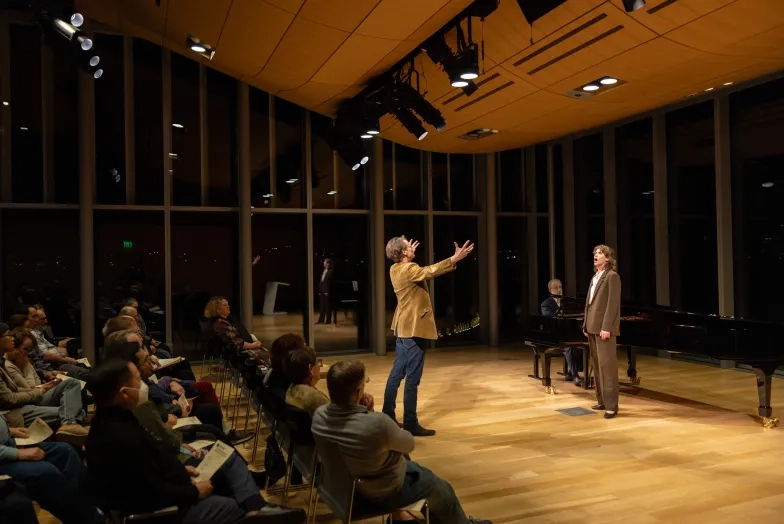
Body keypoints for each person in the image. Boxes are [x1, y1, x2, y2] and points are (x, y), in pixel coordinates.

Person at [84, 358, 306, 523]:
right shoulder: (116, 438)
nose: (143, 385)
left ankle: (256, 506)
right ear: (124, 393)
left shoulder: (117, 421)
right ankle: (251, 512)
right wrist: (194, 492)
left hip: (173, 483)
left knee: (224, 457)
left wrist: (181, 469)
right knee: (230, 506)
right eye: (137, 381)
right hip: (159, 511)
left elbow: (151, 463)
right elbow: (147, 493)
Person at [312, 361, 491, 524]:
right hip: (380, 490)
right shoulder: (376, 424)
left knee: (410, 464)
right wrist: (372, 414)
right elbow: (408, 443)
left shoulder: (319, 416)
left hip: (342, 489)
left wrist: (366, 413)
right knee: (443, 491)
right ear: (358, 392)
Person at [382, 236, 474, 436]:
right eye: (408, 246)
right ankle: (410, 423)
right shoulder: (409, 269)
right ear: (404, 253)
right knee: (412, 377)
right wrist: (454, 259)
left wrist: (407, 254)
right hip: (413, 329)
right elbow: (428, 271)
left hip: (403, 327)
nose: (412, 246)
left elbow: (417, 272)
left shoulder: (395, 269)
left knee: (397, 373)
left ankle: (387, 415)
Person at [0, 413, 101, 523]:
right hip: (4, 457)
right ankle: (89, 519)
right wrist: (17, 453)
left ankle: (91, 502)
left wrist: (9, 430)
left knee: (65, 451)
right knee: (46, 472)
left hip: (7, 444)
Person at [582, 245, 622, 419]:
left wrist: (607, 327)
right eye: (594, 253)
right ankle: (602, 400)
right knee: (597, 366)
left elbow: (613, 304)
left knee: (608, 367)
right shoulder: (594, 277)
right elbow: (589, 304)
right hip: (592, 327)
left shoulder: (612, 277)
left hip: (603, 329)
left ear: (607, 258)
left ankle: (612, 406)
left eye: (599, 253)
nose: (595, 256)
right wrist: (585, 324)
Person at [541, 279, 582, 385]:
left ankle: (571, 372)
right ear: (550, 290)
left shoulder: (567, 302)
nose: (559, 290)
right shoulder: (545, 304)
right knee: (568, 347)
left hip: (567, 334)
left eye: (560, 287)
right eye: (556, 288)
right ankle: (575, 375)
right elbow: (549, 319)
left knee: (580, 346)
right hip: (554, 336)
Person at [316, 258, 336, 325]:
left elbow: (329, 282)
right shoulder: (324, 270)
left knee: (327, 307)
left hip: (326, 291)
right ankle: (321, 320)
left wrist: (327, 291)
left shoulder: (330, 271)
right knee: (322, 307)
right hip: (322, 290)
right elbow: (322, 281)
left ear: (328, 263)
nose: (323, 262)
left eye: (325, 261)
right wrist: (320, 290)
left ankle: (328, 321)